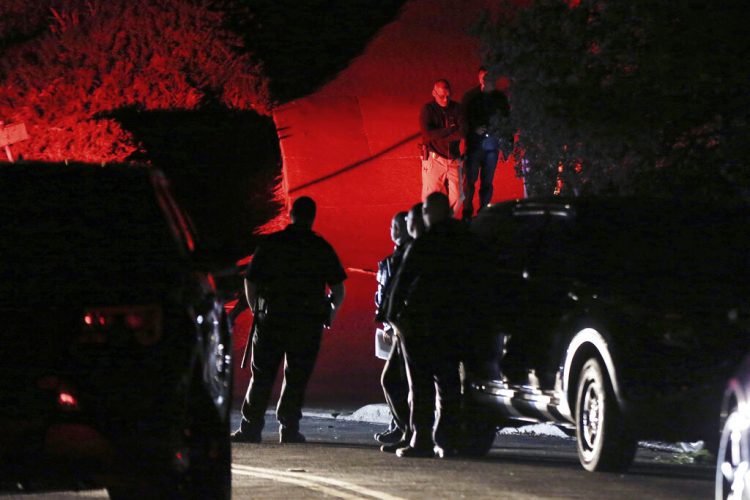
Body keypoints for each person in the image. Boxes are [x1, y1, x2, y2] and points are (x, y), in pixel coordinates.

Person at [231, 196, 347, 444]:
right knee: (296, 376)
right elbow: (338, 290)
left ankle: (250, 428)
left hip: (271, 319)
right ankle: (289, 428)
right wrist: (330, 314)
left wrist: (256, 309)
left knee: (261, 376)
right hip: (306, 323)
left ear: (291, 214)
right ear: (312, 217)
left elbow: (250, 280)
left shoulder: (271, 243)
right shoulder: (320, 247)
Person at [386, 192, 475, 458]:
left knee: (421, 386)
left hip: (422, 325)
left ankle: (421, 440)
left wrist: (394, 318)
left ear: (433, 212)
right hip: (454, 323)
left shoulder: (426, 243)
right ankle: (447, 439)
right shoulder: (466, 240)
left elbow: (401, 283)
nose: (423, 215)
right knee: (448, 385)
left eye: (425, 209)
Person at [373, 211, 412, 446]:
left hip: (405, 329)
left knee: (397, 380)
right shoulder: (391, 259)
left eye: (396, 226)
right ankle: (401, 427)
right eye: (392, 227)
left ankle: (407, 430)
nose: (393, 231)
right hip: (394, 328)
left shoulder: (408, 256)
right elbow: (383, 295)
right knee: (397, 380)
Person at [460, 66, 511, 221]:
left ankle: (483, 212)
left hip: (491, 145)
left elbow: (507, 120)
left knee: (487, 181)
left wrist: (508, 146)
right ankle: (467, 211)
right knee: (470, 180)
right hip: (475, 145)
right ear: (479, 78)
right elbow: (462, 118)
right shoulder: (470, 97)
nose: (486, 80)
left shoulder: (500, 98)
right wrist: (473, 130)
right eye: (484, 77)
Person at [419, 79, 464, 217]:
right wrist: (451, 129)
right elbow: (428, 134)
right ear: (434, 93)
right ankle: (428, 226)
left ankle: (446, 221)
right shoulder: (428, 109)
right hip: (435, 160)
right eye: (441, 96)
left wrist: (441, 134)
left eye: (448, 96)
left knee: (458, 197)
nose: (445, 99)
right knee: (429, 198)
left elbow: (462, 132)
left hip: (454, 160)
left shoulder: (457, 108)